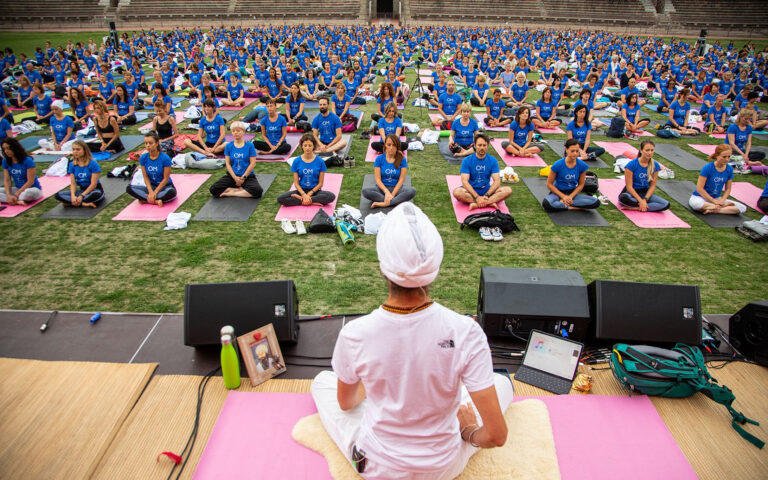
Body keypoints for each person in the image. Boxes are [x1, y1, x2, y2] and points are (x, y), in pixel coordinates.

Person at [310, 201, 511, 478]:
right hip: (443, 467)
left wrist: (374, 385)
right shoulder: (466, 330)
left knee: (322, 382)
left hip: (377, 467)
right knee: (501, 383)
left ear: (383, 268)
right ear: (435, 267)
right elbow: (496, 436)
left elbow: (346, 403)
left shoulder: (355, 333)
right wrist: (468, 432)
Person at [452, 132, 512, 211]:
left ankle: (478, 204)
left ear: (487, 146)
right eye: (479, 145)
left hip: (486, 190)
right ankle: (488, 202)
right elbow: (465, 182)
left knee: (507, 190)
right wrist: (477, 197)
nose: (482, 148)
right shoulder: (467, 161)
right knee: (457, 192)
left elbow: (497, 181)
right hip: (471, 191)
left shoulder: (493, 160)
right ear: (475, 145)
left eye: (484, 145)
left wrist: (487, 195)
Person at [277, 133, 335, 206]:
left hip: (315, 191)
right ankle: (310, 201)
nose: (307, 148)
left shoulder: (320, 161)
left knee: (331, 196)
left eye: (310, 145)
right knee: (281, 198)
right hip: (301, 191)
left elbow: (320, 183)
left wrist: (310, 193)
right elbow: (296, 183)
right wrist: (303, 194)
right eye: (305, 145)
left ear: (313, 146)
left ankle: (303, 200)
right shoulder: (296, 161)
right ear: (302, 146)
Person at [542, 138, 600, 211]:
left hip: (572, 193)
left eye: (577, 151)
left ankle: (563, 204)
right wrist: (563, 197)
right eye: (572, 151)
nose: (575, 153)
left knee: (595, 202)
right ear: (566, 149)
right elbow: (549, 184)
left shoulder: (582, 165)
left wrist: (570, 197)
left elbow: (581, 185)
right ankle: (572, 207)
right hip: (558, 193)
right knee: (546, 203)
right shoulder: (557, 165)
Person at [688, 144, 746, 215]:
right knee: (696, 204)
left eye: (729, 157)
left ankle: (713, 210)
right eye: (724, 157)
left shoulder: (729, 169)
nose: (727, 159)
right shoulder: (708, 168)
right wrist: (714, 201)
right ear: (717, 156)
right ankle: (719, 207)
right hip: (701, 197)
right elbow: (699, 189)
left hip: (717, 199)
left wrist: (722, 200)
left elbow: (728, 189)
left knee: (742, 208)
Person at [210, 121, 262, 198]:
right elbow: (228, 164)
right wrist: (235, 178)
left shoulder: (250, 145)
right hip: (232, 176)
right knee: (214, 189)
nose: (235, 133)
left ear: (243, 131)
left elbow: (252, 163)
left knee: (258, 191)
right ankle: (240, 190)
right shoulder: (229, 146)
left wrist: (243, 177)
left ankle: (232, 192)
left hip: (247, 176)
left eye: (238, 131)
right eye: (233, 131)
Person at [363, 134, 416, 209]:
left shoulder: (402, 159)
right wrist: (386, 192)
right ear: (385, 145)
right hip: (382, 189)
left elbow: (401, 180)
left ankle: (384, 203)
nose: (391, 148)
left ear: (397, 146)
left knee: (412, 191)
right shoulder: (379, 159)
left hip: (397, 189)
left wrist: (392, 194)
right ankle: (395, 202)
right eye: (389, 145)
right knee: (366, 191)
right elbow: (378, 179)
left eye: (394, 145)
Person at [618, 140, 670, 212]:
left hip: (645, 194)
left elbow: (652, 186)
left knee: (666, 204)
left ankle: (637, 208)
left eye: (652, 150)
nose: (650, 153)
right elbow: (629, 187)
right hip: (632, 194)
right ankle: (644, 206)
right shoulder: (631, 165)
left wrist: (645, 199)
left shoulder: (655, 165)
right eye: (647, 150)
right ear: (641, 150)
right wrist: (640, 201)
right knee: (624, 198)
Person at [126, 132, 176, 206]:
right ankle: (155, 201)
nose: (148, 145)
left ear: (157, 143)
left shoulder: (165, 158)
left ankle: (146, 199)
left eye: (150, 143)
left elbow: (166, 179)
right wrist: (150, 191)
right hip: (151, 186)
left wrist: (155, 192)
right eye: (146, 143)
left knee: (171, 192)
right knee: (129, 188)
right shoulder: (143, 158)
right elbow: (145, 176)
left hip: (165, 187)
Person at [54, 139, 104, 208]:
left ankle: (71, 203)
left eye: (78, 149)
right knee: (58, 195)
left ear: (84, 150)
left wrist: (81, 196)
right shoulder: (72, 165)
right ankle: (83, 203)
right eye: (73, 149)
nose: (75, 152)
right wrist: (73, 196)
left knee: (96, 195)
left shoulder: (93, 163)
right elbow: (73, 183)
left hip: (94, 190)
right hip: (81, 190)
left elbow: (93, 185)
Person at [1, 137, 43, 205]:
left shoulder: (27, 160)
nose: (6, 151)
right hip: (17, 188)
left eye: (8, 148)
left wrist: (16, 194)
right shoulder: (5, 161)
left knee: (28, 193)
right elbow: (7, 180)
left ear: (15, 148)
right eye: (4, 149)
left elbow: (30, 181)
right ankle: (17, 201)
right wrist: (8, 195)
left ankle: (14, 199)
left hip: (32, 189)